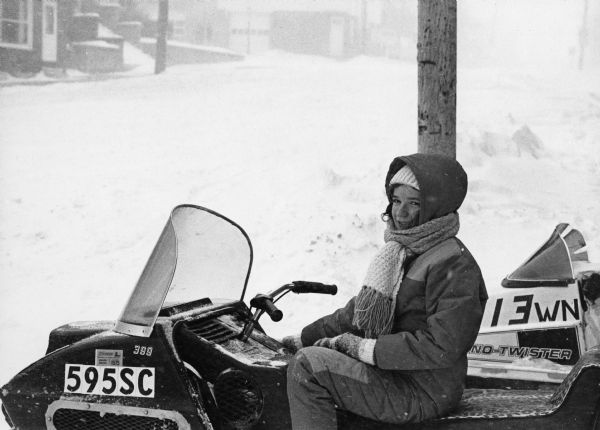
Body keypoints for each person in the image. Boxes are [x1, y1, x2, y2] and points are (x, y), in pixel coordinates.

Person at [282, 153, 488, 429]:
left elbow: (442, 345)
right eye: (396, 201)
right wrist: (302, 338)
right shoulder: (401, 252)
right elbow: (358, 314)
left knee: (309, 366)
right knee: (306, 354)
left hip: (422, 390)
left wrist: (365, 349)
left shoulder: (453, 262)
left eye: (414, 203)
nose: (400, 213)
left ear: (435, 208)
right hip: (394, 375)